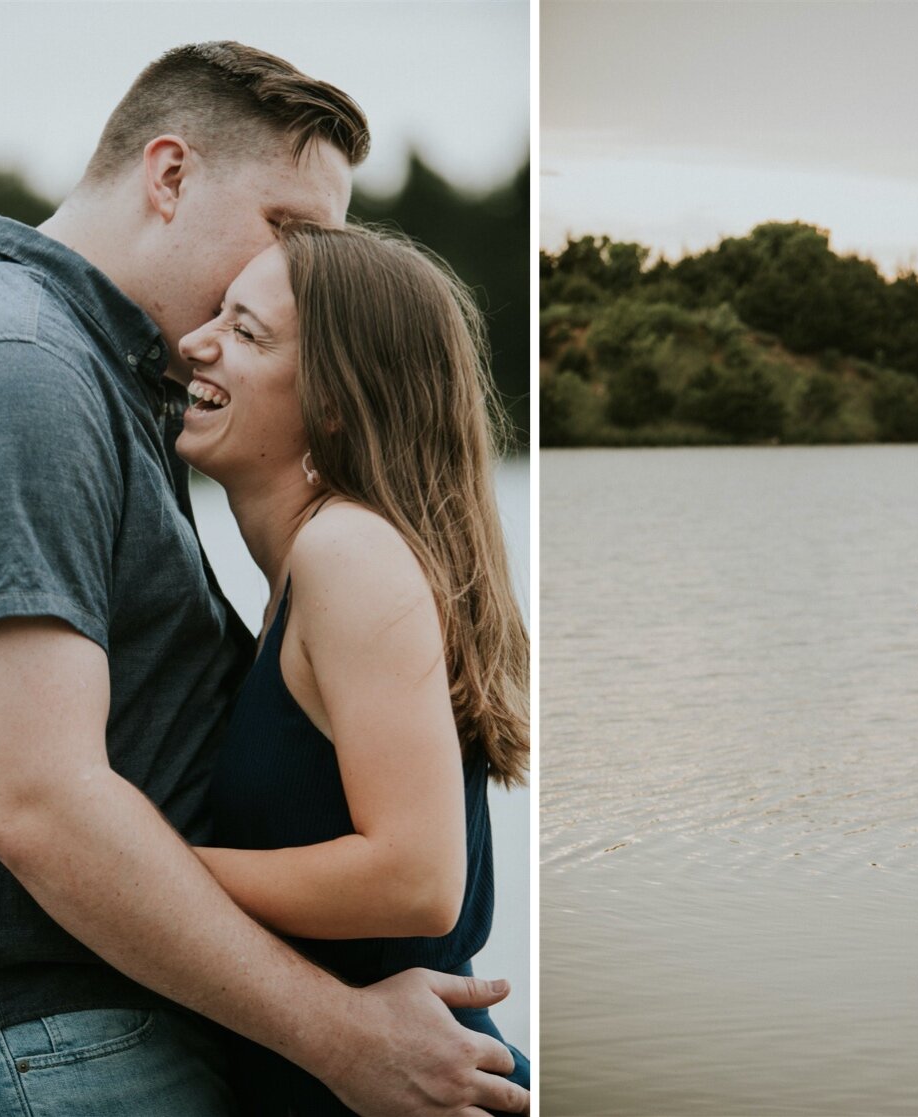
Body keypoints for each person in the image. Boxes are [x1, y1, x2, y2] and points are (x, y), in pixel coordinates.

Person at [0, 41, 527, 1117]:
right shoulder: (19, 371)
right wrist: (341, 1037)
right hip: (34, 1056)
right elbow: (41, 804)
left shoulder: (86, 381)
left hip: (52, 1051)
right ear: (171, 174)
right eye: (288, 229)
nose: (296, 269)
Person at [175, 222, 529, 1115]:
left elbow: (416, 877)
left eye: (247, 332)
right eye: (218, 313)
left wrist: (143, 870)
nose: (196, 342)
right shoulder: (306, 570)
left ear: (333, 403)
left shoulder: (349, 552)